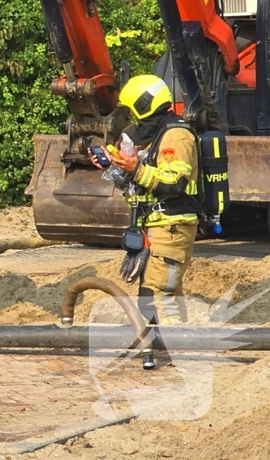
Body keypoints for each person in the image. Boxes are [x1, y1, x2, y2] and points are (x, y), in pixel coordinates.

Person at [90, 74, 199, 370]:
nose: (131, 117)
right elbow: (135, 182)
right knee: (151, 290)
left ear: (144, 105)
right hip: (152, 224)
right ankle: (157, 346)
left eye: (133, 110)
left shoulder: (176, 135)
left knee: (160, 291)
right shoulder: (148, 134)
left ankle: (177, 349)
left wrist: (137, 168)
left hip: (172, 224)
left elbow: (174, 182)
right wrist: (111, 165)